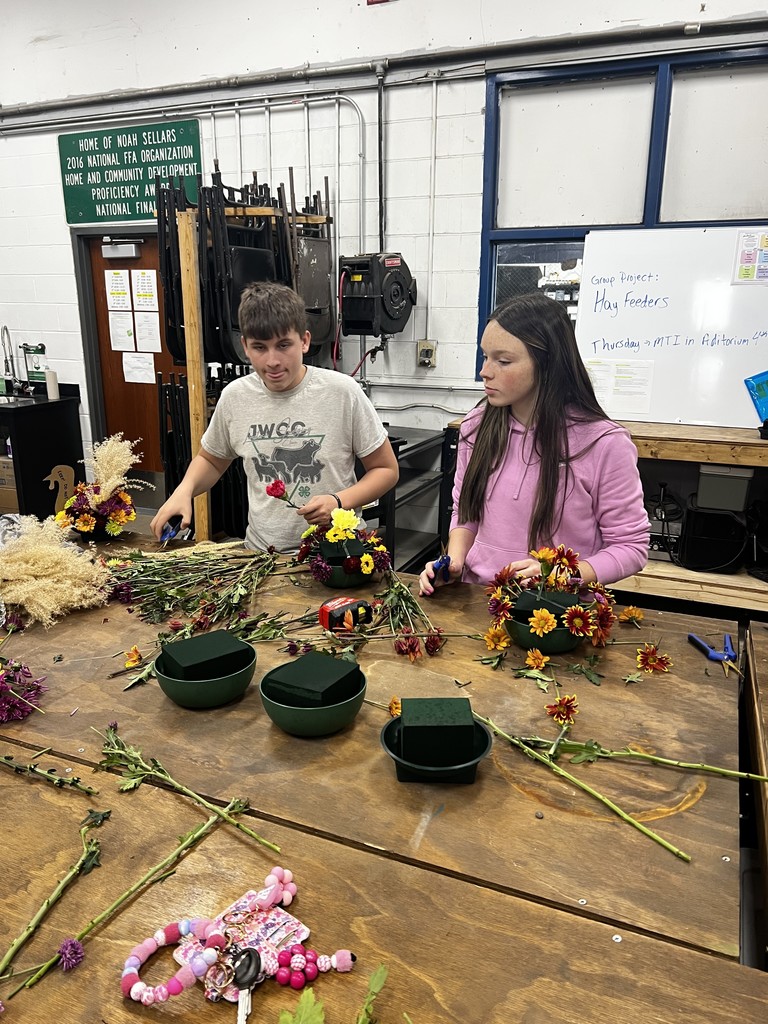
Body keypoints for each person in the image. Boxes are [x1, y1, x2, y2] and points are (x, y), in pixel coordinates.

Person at [419, 291, 649, 595]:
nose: (485, 372)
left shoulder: (604, 444)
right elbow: (466, 511)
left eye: (503, 361)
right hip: (480, 599)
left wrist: (563, 575)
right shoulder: (476, 427)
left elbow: (631, 546)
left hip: (559, 610)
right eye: (485, 356)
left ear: (547, 364)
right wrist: (454, 561)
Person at [151, 282, 399, 552]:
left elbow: (386, 470)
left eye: (283, 345)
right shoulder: (235, 397)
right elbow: (211, 460)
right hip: (263, 554)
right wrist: (184, 490)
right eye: (260, 347)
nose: (272, 361)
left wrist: (338, 501)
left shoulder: (342, 393)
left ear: (304, 341)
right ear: (245, 346)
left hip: (338, 554)